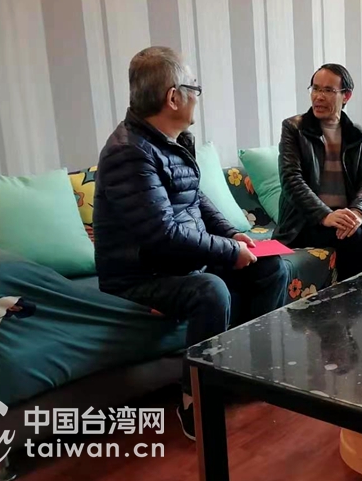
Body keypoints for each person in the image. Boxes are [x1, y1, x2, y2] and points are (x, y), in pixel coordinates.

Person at [93, 46, 289, 441]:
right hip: (140, 272)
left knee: (271, 267)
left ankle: (251, 373)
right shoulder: (128, 153)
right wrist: (227, 252)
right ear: (173, 97)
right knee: (210, 291)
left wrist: (232, 235)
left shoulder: (172, 140)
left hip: (178, 259)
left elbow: (196, 198)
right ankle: (193, 400)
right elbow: (161, 234)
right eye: (194, 88)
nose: (197, 96)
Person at [274, 64, 362, 280]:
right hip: (305, 222)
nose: (318, 97)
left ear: (346, 96)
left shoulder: (358, 133)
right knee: (350, 236)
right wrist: (325, 215)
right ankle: (349, 300)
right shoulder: (294, 128)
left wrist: (358, 212)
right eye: (316, 89)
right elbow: (291, 180)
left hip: (345, 214)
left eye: (328, 90)